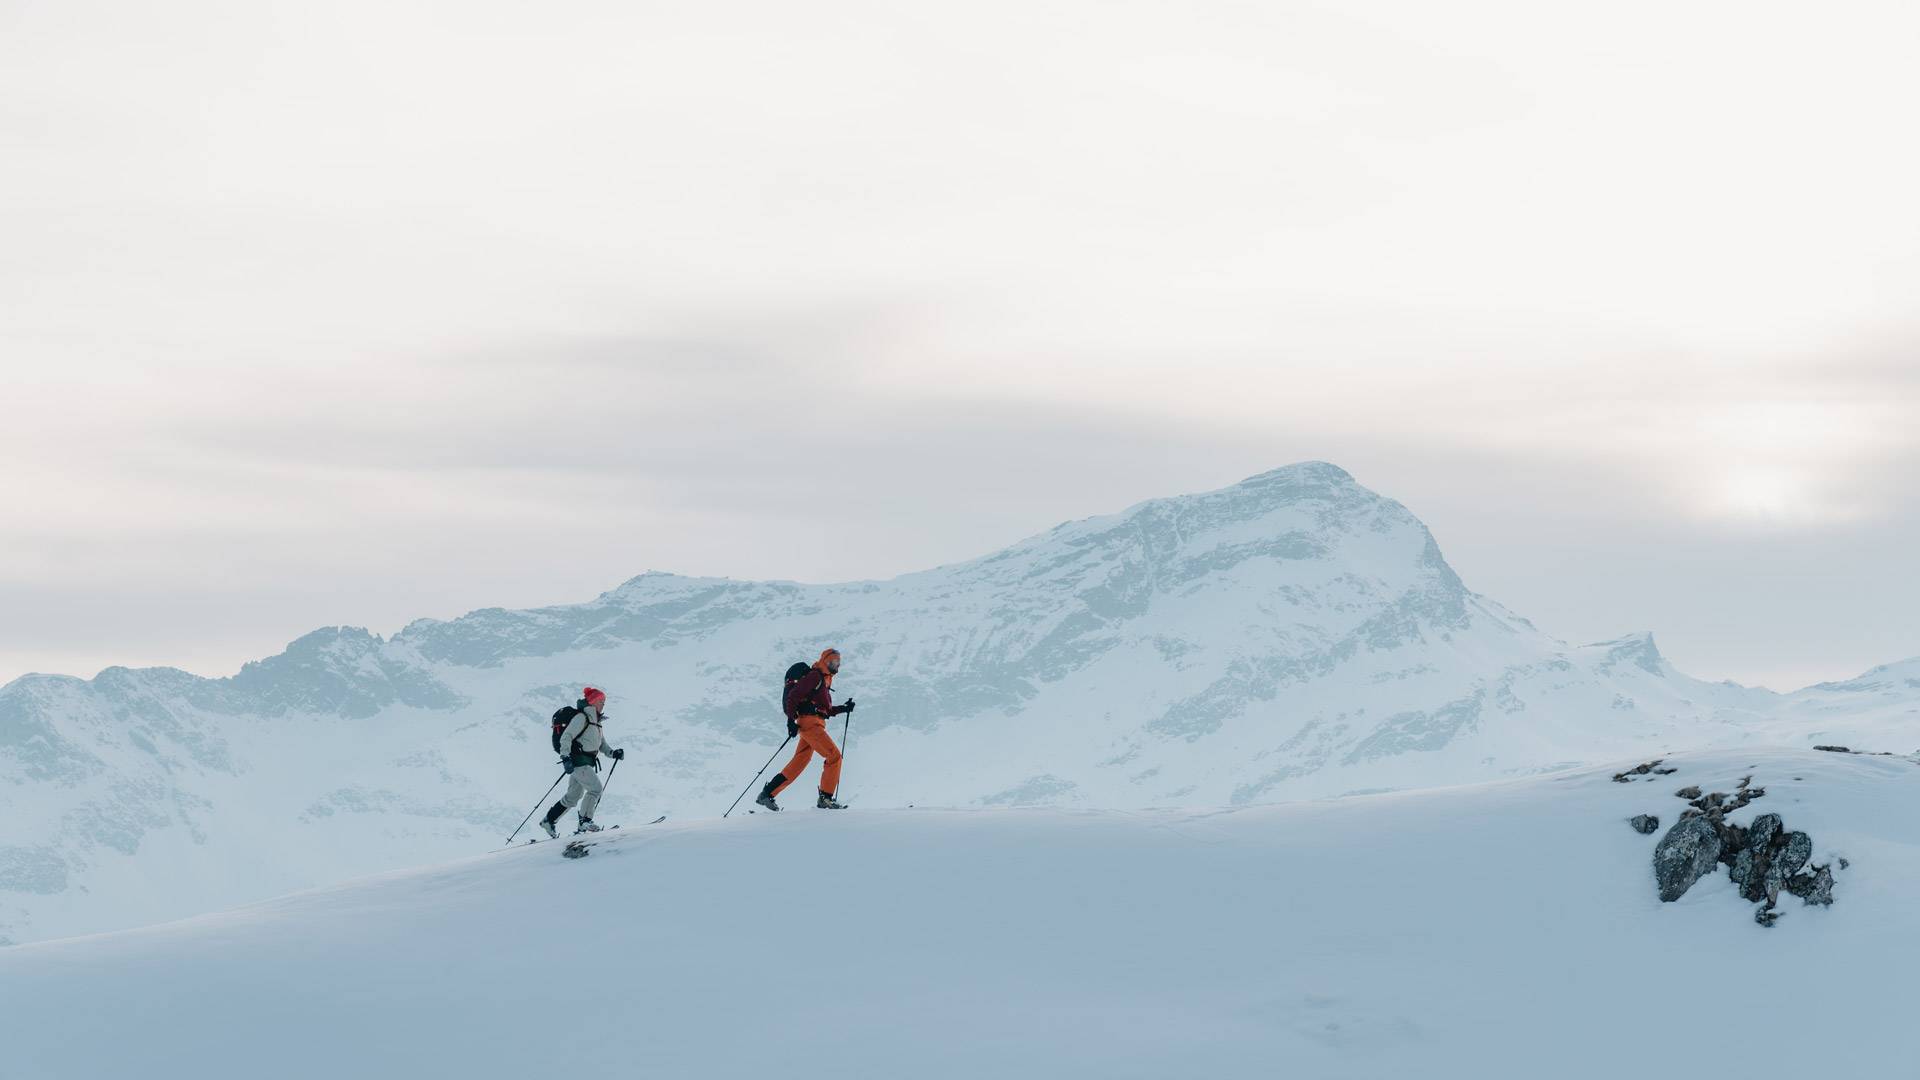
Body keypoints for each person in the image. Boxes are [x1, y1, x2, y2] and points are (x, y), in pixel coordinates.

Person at [757, 648, 854, 811]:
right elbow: (794, 696)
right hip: (810, 724)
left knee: (800, 762)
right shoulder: (815, 676)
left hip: (814, 722)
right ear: (825, 661)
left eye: (838, 662)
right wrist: (790, 721)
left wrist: (844, 708)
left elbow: (824, 710)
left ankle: (767, 793)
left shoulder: (824, 680)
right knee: (834, 756)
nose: (836, 664)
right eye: (833, 661)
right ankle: (826, 798)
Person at [541, 687, 625, 837]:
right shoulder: (582, 717)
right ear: (593, 702)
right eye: (600, 701)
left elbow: (602, 744)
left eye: (604, 702)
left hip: (585, 762)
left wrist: (613, 753)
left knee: (573, 796)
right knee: (596, 789)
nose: (603, 704)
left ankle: (549, 820)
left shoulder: (596, 723)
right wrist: (565, 757)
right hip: (579, 761)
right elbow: (566, 736)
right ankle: (585, 821)